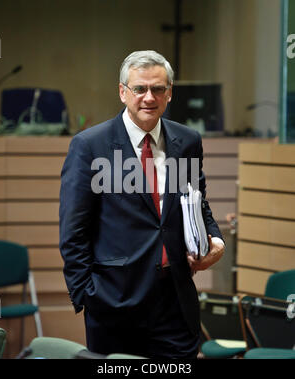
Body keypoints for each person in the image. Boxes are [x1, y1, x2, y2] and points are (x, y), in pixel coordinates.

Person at [59, 50, 225, 359]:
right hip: (114, 303)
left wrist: (215, 240)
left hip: (174, 299)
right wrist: (87, 295)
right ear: (123, 92)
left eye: (158, 89)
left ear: (169, 93)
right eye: (139, 88)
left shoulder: (187, 141)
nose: (149, 97)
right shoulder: (90, 146)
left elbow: (197, 204)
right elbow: (73, 231)